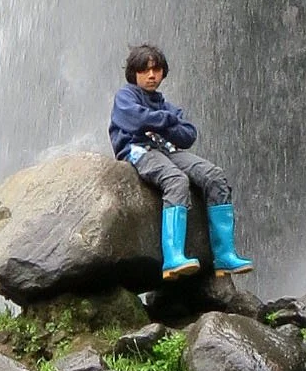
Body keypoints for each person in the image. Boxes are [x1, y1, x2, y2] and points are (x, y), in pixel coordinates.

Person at [109, 41, 254, 281]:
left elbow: (188, 135)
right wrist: (167, 120)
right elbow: (135, 120)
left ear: (163, 73)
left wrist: (160, 121)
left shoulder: (164, 104)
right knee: (176, 179)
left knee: (214, 176)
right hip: (137, 150)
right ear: (134, 73)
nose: (151, 75)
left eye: (156, 70)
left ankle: (224, 255)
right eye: (145, 70)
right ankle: (173, 257)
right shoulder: (126, 96)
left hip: (167, 150)